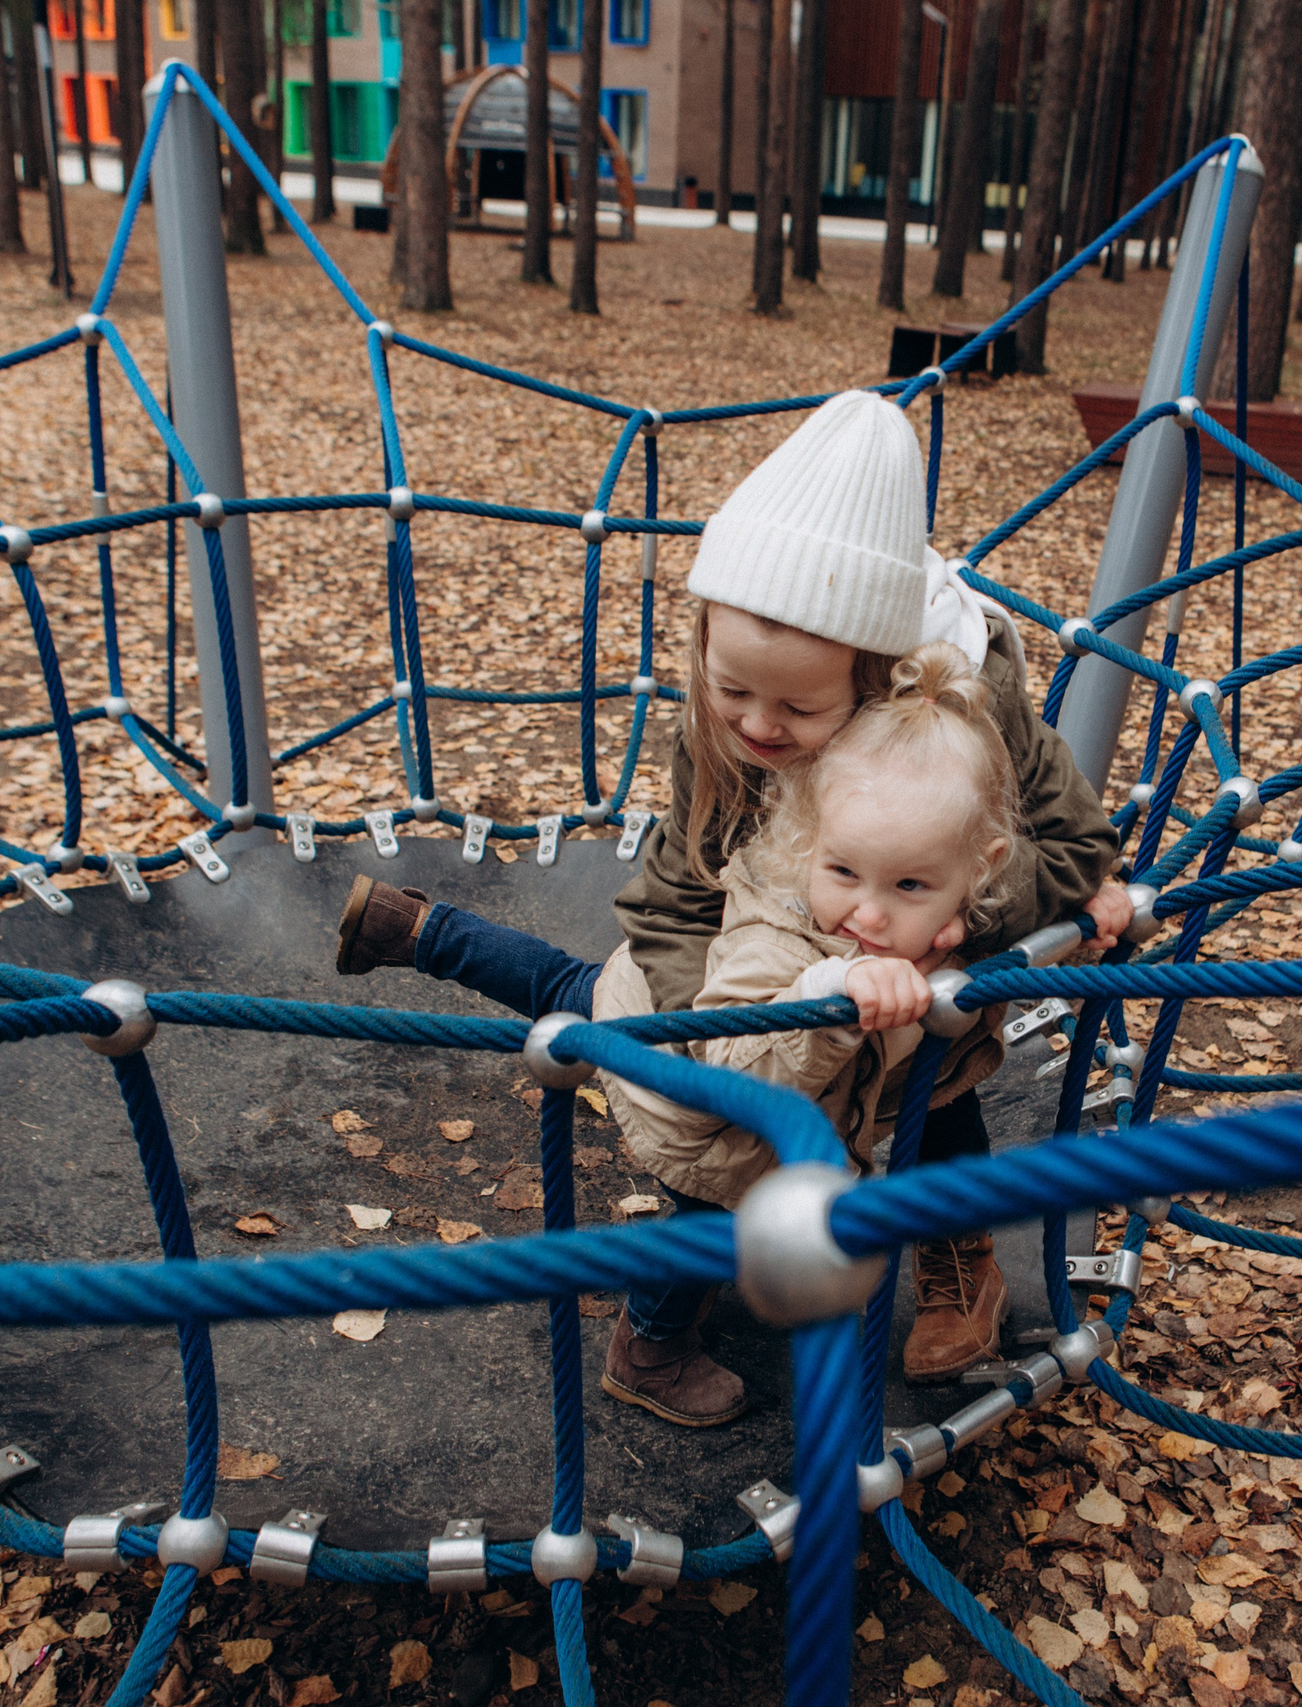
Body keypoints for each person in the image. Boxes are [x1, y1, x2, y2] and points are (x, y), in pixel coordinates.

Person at [336, 388, 1129, 1410]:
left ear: (876, 687)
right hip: (773, 986)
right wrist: (708, 1040)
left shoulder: (954, 707)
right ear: (705, 645)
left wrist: (1016, 895)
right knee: (707, 1147)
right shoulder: (737, 772)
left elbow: (1059, 824)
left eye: (799, 707)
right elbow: (676, 903)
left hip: (900, 956)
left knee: (932, 1081)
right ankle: (651, 1344)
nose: (756, 724)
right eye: (731, 690)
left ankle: (424, 928)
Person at [340, 644, 1035, 1422]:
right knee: (714, 1205)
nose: (868, 914)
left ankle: (417, 928)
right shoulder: (784, 946)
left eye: (908, 884)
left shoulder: (951, 898)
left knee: (568, 988)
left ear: (978, 870)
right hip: (699, 1098)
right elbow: (737, 1070)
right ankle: (650, 1346)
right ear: (809, 839)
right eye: (843, 873)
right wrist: (831, 994)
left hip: (652, 994)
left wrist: (1094, 915)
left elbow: (1040, 887)